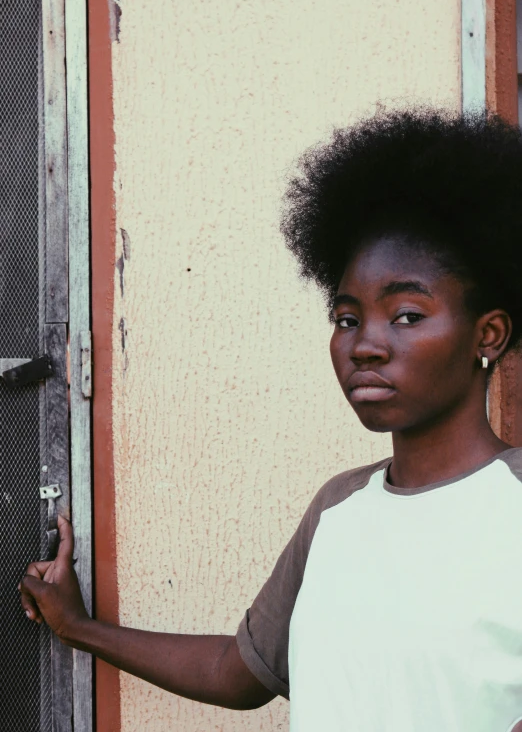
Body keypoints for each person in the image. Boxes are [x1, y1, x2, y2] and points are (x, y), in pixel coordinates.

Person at [19, 108, 522, 731]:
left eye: (407, 315)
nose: (364, 344)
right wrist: (79, 629)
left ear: (489, 334)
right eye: (346, 318)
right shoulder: (339, 509)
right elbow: (237, 671)